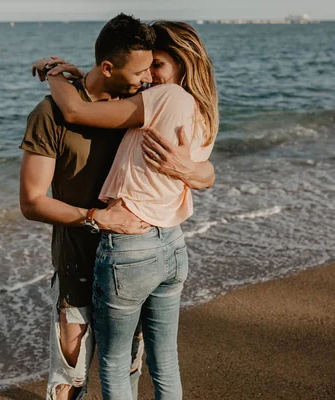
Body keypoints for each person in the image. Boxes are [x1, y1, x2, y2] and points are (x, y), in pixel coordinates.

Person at [20, 14, 215, 400]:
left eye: (153, 66)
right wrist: (95, 217)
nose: (147, 77)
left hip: (133, 256)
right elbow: (32, 202)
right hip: (79, 260)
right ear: (110, 68)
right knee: (70, 374)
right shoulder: (51, 114)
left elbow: (205, 167)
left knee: (127, 364)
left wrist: (193, 170)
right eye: (143, 69)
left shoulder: (143, 102)